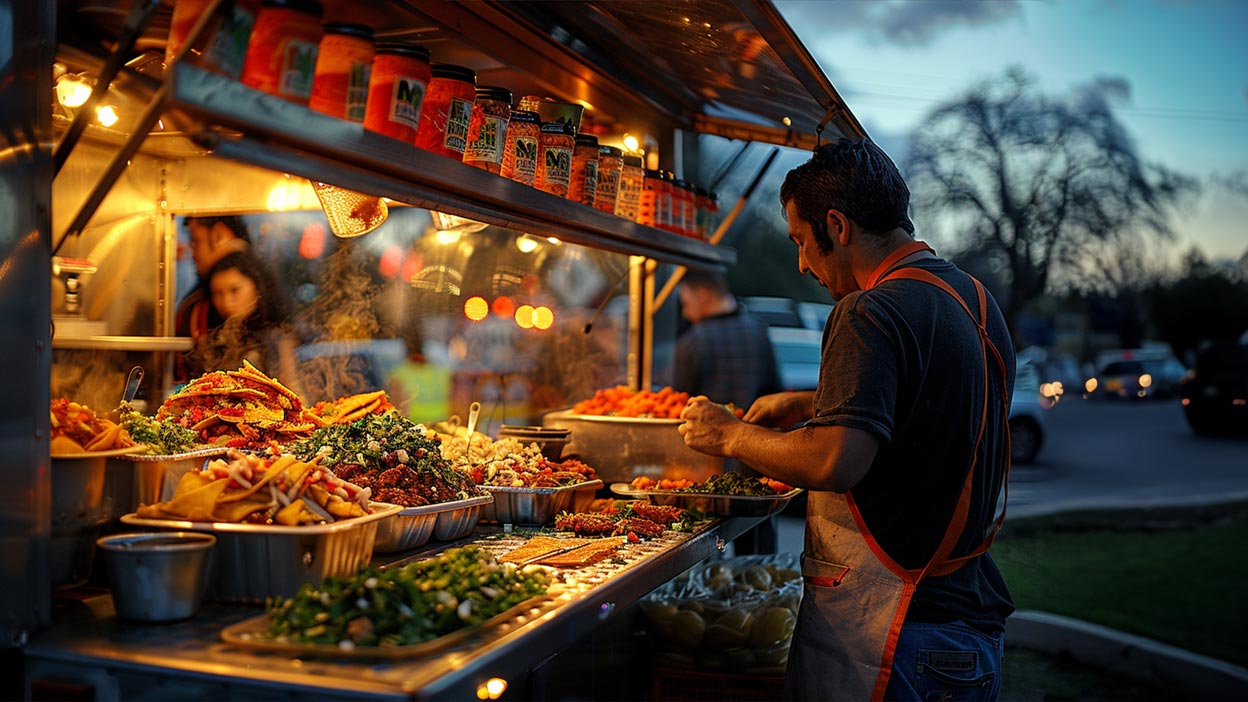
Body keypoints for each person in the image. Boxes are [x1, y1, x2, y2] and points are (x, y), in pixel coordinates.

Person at [678, 138, 1015, 701]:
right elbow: (936, 405)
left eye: (800, 242)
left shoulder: (868, 309)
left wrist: (730, 433)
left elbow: (837, 460)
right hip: (968, 623)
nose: (802, 264)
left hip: (899, 630)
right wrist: (814, 402)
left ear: (836, 225)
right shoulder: (973, 299)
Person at [672, 267, 782, 554]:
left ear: (703, 294)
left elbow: (676, 406)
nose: (685, 313)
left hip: (706, 471)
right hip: (758, 463)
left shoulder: (693, 341)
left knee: (704, 549)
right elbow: (776, 397)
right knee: (757, 551)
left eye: (685, 303)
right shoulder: (759, 331)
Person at [191, 250, 300, 389]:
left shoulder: (277, 336)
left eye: (234, 290)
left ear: (257, 288)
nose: (226, 302)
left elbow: (292, 388)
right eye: (217, 293)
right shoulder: (211, 338)